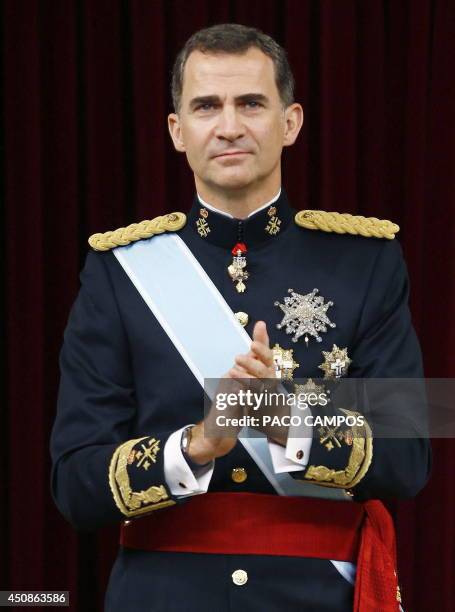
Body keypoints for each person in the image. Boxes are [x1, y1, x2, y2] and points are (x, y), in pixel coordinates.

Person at [50, 23, 431, 612]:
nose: (229, 126)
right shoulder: (118, 273)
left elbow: (409, 459)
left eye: (251, 103)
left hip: (317, 594)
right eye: (207, 107)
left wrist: (288, 421)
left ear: (291, 122)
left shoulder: (368, 263)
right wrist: (195, 447)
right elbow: (73, 484)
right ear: (178, 132)